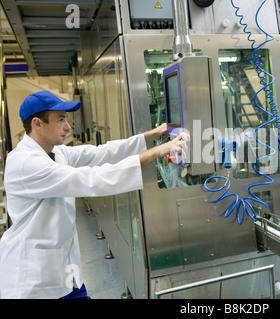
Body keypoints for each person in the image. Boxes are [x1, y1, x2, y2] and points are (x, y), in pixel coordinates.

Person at [0, 90, 189, 299]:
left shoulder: (55, 152)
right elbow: (92, 179)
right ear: (37, 123)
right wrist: (156, 151)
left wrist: (150, 137)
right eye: (61, 120)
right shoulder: (25, 163)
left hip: (64, 274)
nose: (68, 127)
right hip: (33, 283)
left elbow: (100, 153)